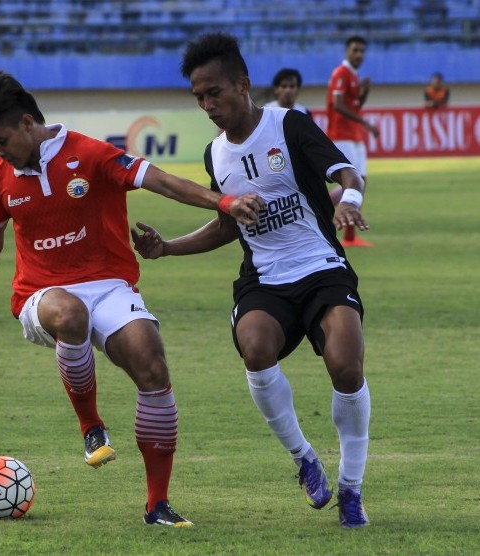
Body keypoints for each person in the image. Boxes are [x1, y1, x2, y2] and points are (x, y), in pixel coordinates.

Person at [0, 70, 264, 527]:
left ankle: (158, 506)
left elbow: (160, 181)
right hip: (41, 294)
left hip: (109, 285)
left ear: (27, 123)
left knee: (152, 363)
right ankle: (91, 425)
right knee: (71, 314)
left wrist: (221, 203)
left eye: (1, 140)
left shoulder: (90, 154)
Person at [131, 33, 372, 528]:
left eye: (214, 92)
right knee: (255, 348)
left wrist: (350, 200)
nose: (207, 104)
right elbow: (226, 224)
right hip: (264, 279)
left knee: (346, 367)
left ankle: (351, 488)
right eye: (198, 97)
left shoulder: (289, 125)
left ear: (242, 85)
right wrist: (169, 247)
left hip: (321, 268)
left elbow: (348, 174)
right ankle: (304, 458)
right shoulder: (214, 155)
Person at [326, 35, 378, 248]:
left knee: (361, 182)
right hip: (341, 134)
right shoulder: (341, 73)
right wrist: (365, 123)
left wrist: (363, 91)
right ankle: (320, 209)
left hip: (353, 134)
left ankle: (349, 236)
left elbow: (355, 104)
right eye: (355, 50)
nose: (359, 54)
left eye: (362, 51)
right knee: (351, 181)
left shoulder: (354, 76)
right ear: (347, 51)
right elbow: (338, 105)